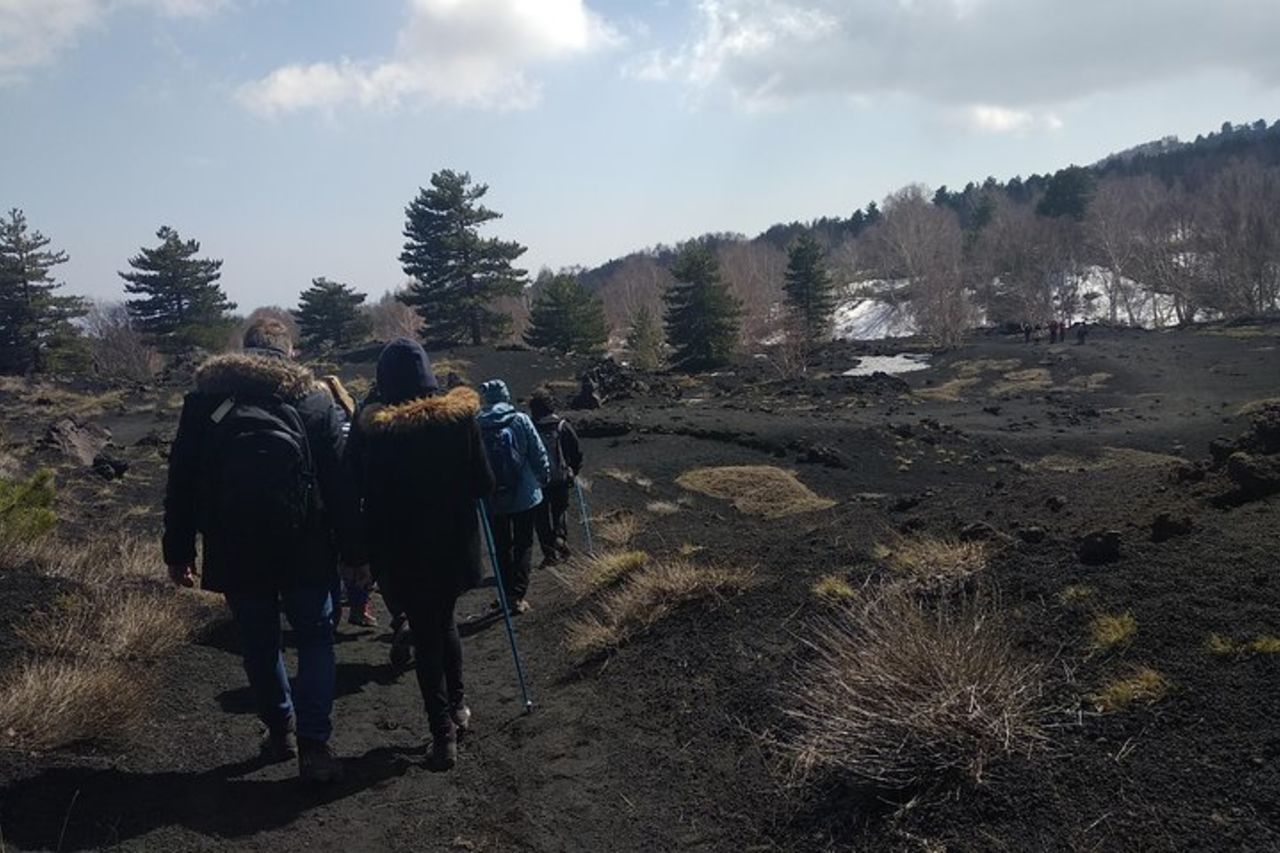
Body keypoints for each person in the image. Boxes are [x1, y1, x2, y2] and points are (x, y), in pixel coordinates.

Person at [163, 318, 360, 783]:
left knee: (257, 642)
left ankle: (280, 728)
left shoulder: (205, 403)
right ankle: (315, 745)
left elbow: (182, 482)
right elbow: (340, 486)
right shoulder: (314, 401)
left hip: (234, 548)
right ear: (289, 353)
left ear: (246, 352)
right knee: (315, 639)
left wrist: (178, 549)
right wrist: (356, 552)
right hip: (305, 545)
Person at [345, 339, 494, 770]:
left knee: (427, 633)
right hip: (452, 548)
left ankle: (442, 732)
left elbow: (351, 483)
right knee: (442, 623)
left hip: (400, 551)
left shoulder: (374, 429)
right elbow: (484, 484)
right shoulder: (459, 420)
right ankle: (459, 707)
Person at [478, 379, 550, 616]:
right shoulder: (520, 419)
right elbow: (537, 452)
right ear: (506, 395)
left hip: (492, 498)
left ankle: (505, 592)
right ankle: (517, 595)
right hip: (524, 495)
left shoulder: (476, 424)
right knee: (523, 543)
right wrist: (544, 477)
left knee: (500, 546)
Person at [529, 388, 583, 568]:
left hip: (538, 481)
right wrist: (573, 470)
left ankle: (549, 553)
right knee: (560, 510)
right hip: (560, 478)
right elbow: (576, 451)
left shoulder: (531, 427)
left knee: (541, 517)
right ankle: (560, 537)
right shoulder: (562, 426)